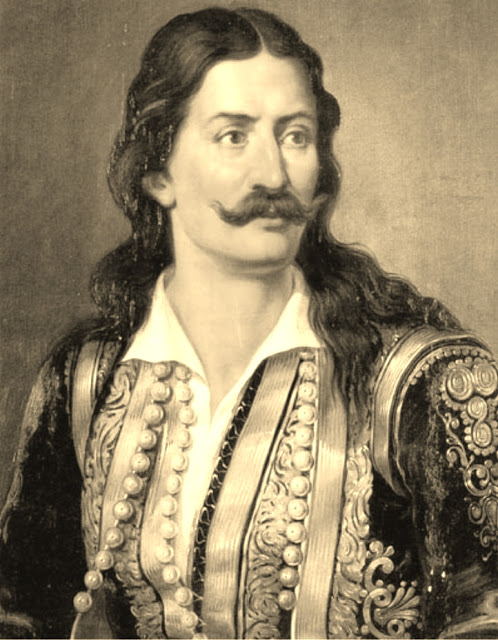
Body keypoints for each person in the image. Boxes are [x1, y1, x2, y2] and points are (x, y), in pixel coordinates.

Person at [0, 6, 497, 639]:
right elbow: (19, 614)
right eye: (233, 136)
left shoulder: (429, 383)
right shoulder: (86, 378)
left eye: (296, 137)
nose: (273, 175)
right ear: (157, 172)